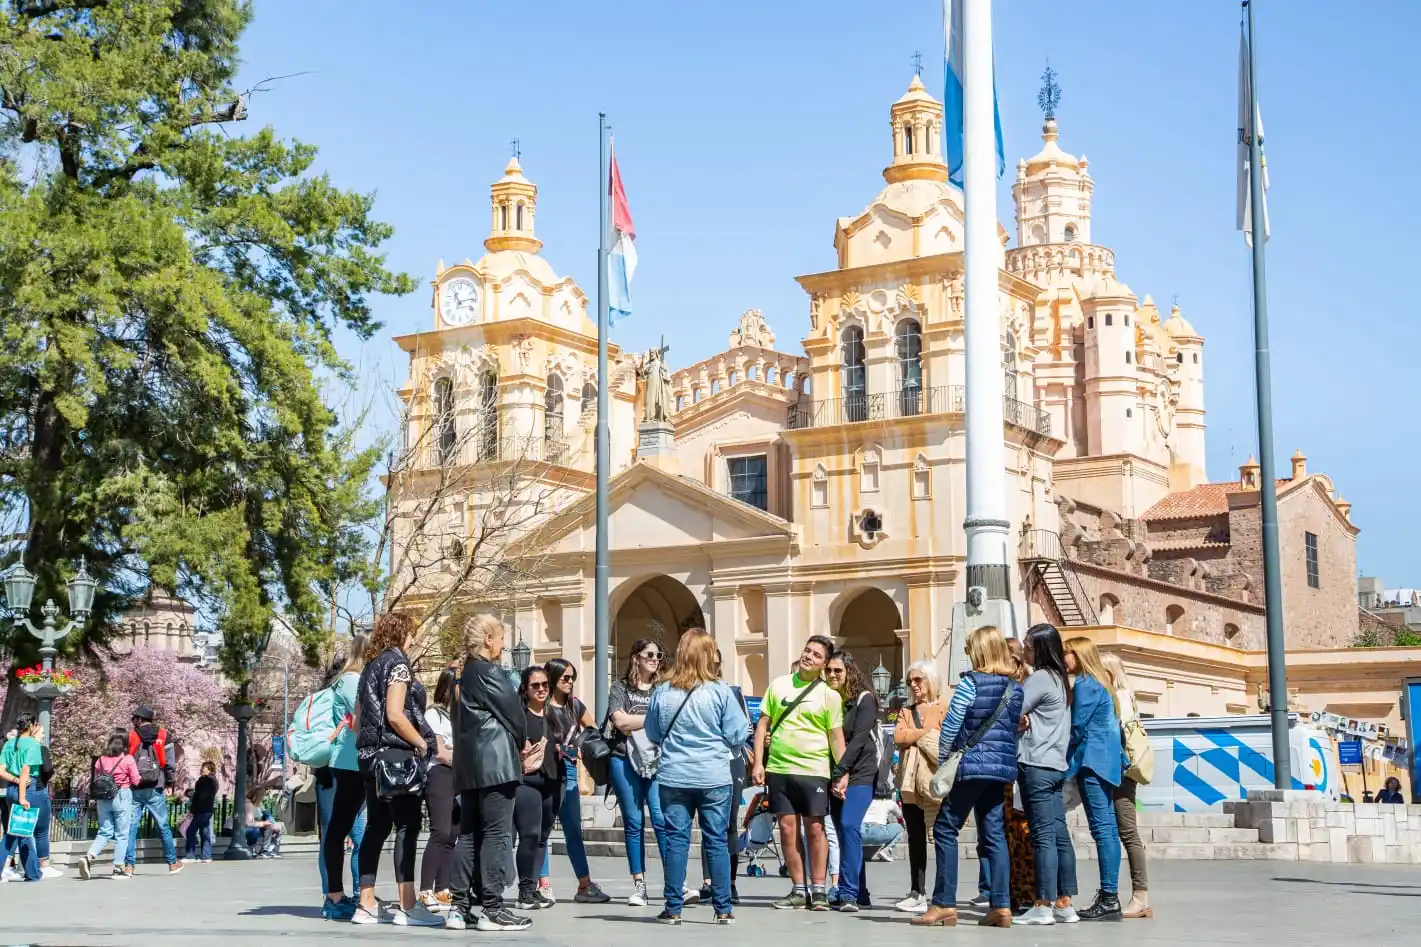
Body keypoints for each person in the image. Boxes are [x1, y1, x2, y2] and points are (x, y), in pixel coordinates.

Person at [911, 627, 1023, 929]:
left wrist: (946, 759)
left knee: (946, 828)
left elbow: (950, 727)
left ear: (980, 651)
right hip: (1000, 771)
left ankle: (944, 903)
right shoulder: (1015, 688)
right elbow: (1011, 729)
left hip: (971, 766)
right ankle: (1001, 906)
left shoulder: (970, 684)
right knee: (994, 833)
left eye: (970, 648)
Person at [645, 628, 748, 925]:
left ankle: (673, 908)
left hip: (675, 775)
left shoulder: (662, 691)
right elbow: (738, 733)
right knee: (716, 839)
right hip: (714, 775)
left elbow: (652, 732)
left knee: (676, 840)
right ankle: (723, 908)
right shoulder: (720, 691)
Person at [352, 612, 441, 927]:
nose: (415, 639)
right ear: (403, 633)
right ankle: (407, 904)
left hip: (369, 758)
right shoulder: (399, 666)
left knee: (377, 827)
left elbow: (358, 719)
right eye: (412, 633)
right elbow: (395, 714)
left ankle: (365, 903)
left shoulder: (370, 667)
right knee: (408, 826)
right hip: (396, 757)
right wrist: (422, 744)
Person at [448, 614, 533, 932]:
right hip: (496, 763)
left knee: (469, 834)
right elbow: (515, 715)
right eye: (499, 637)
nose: (503, 643)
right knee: (498, 833)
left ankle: (458, 907)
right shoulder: (488, 671)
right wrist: (523, 744)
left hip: (470, 765)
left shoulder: (463, 674)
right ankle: (493, 909)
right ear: (487, 639)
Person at [751, 634, 845, 911]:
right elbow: (762, 725)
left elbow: (836, 737)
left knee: (815, 828)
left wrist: (842, 772)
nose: (809, 656)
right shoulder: (779, 685)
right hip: (779, 768)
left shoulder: (829, 696)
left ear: (824, 663)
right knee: (787, 830)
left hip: (814, 770)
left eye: (816, 655)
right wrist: (758, 762)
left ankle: (819, 889)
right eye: (807, 651)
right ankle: (798, 889)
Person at [1013, 623, 1078, 926]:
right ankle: (1064, 901)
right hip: (1056, 765)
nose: (1024, 650)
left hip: (1036, 764)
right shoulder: (1061, 680)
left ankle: (1043, 903)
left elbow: (1013, 709)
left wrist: (1021, 720)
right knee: (1058, 834)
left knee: (1042, 836)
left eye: (1027, 645)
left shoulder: (1039, 678)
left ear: (1039, 647)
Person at [1062, 636, 1127, 922]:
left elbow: (1076, 728)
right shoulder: (1103, 685)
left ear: (1079, 656)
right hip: (1107, 763)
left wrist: (1060, 759)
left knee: (1103, 831)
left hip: (1092, 762)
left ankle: (1109, 897)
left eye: (1067, 654)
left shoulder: (1087, 685)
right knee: (1108, 830)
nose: (1064, 659)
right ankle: (1109, 896)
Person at [540, 657, 610, 904]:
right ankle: (543, 884)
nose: (570, 682)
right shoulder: (542, 704)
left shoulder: (575, 705)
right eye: (565, 678)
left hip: (568, 770)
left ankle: (584, 884)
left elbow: (592, 729)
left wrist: (585, 745)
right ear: (552, 678)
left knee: (573, 830)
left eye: (573, 678)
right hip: (544, 771)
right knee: (542, 830)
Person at [606, 637, 669, 906]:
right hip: (623, 759)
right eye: (649, 655)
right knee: (633, 822)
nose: (655, 659)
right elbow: (618, 721)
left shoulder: (663, 689)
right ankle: (639, 885)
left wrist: (636, 722)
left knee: (660, 818)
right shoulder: (619, 688)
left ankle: (674, 882)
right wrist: (652, 719)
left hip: (658, 762)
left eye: (658, 655)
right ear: (636, 658)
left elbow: (669, 720)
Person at [825, 649, 881, 912]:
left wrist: (841, 772)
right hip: (837, 773)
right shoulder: (829, 699)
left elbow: (859, 739)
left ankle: (848, 892)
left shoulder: (864, 699)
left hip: (861, 772)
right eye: (829, 670)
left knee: (849, 825)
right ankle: (862, 892)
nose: (832, 675)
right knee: (846, 834)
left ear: (849, 672)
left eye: (838, 670)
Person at [319, 635, 369, 921]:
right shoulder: (351, 680)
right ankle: (334, 896)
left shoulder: (352, 680)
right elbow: (362, 717)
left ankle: (350, 894)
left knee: (349, 830)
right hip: (349, 761)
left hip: (354, 761)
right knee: (339, 829)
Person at [696, 648, 751, 906]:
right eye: (709, 664)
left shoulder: (732, 692)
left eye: (717, 664)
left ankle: (729, 882)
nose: (714, 669)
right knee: (708, 823)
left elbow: (744, 728)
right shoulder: (692, 692)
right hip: (704, 762)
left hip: (731, 762)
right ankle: (709, 881)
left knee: (728, 824)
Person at [1099, 652, 1153, 919]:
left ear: (1109, 673)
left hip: (1120, 771)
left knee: (1128, 831)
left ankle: (1140, 896)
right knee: (1125, 831)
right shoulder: (1126, 695)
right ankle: (1133, 895)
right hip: (1121, 770)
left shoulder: (1118, 698)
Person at [893, 659, 946, 914]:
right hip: (910, 784)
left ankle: (943, 893)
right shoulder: (906, 710)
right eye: (909, 681)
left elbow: (945, 741)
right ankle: (917, 890)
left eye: (918, 680)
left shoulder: (943, 706)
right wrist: (926, 732)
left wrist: (914, 734)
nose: (913, 685)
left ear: (930, 681)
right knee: (915, 837)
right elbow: (898, 736)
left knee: (942, 837)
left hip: (936, 782)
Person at [512, 664, 561, 912]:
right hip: (527, 781)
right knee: (529, 835)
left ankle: (533, 889)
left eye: (544, 685)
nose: (541, 689)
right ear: (526, 688)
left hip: (553, 781)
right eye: (535, 685)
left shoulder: (554, 714)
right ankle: (525, 890)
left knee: (542, 838)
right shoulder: (519, 716)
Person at [418, 667, 458, 912]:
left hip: (456, 776)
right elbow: (440, 751)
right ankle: (425, 889)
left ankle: (443, 888)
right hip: (439, 773)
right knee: (440, 831)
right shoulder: (435, 715)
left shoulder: (459, 715)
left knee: (454, 831)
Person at [0, 714, 57, 881]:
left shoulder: (10, 743)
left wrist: (15, 781)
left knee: (15, 830)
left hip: (11, 789)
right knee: (23, 831)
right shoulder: (33, 745)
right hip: (28, 788)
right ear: (32, 725)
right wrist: (23, 795)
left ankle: (31, 872)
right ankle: (32, 872)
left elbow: (2, 770)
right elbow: (26, 770)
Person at [125, 706, 181, 875]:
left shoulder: (132, 735)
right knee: (163, 825)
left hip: (135, 786)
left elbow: (127, 758)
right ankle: (172, 863)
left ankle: (129, 865)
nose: (133, 721)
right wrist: (170, 783)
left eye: (134, 718)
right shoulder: (164, 735)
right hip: (156, 785)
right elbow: (170, 763)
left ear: (139, 719)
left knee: (131, 826)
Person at [78, 732, 140, 880]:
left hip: (103, 797)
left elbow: (98, 776)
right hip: (122, 795)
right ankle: (118, 868)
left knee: (104, 831)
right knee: (122, 834)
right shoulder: (128, 759)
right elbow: (136, 780)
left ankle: (89, 857)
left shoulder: (101, 759)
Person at [183, 761, 218, 864]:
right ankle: (206, 856)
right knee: (205, 832)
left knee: (190, 831)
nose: (202, 769)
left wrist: (193, 810)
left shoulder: (203, 780)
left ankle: (190, 855)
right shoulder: (214, 780)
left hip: (201, 810)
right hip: (208, 809)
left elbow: (199, 797)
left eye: (204, 767)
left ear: (210, 769)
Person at [244, 789, 283, 857]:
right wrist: (263, 823)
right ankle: (264, 850)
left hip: (252, 825)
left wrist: (271, 823)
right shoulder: (248, 804)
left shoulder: (257, 804)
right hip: (238, 828)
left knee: (277, 827)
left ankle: (270, 849)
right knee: (264, 828)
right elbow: (248, 823)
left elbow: (263, 815)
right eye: (262, 796)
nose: (263, 798)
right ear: (257, 796)